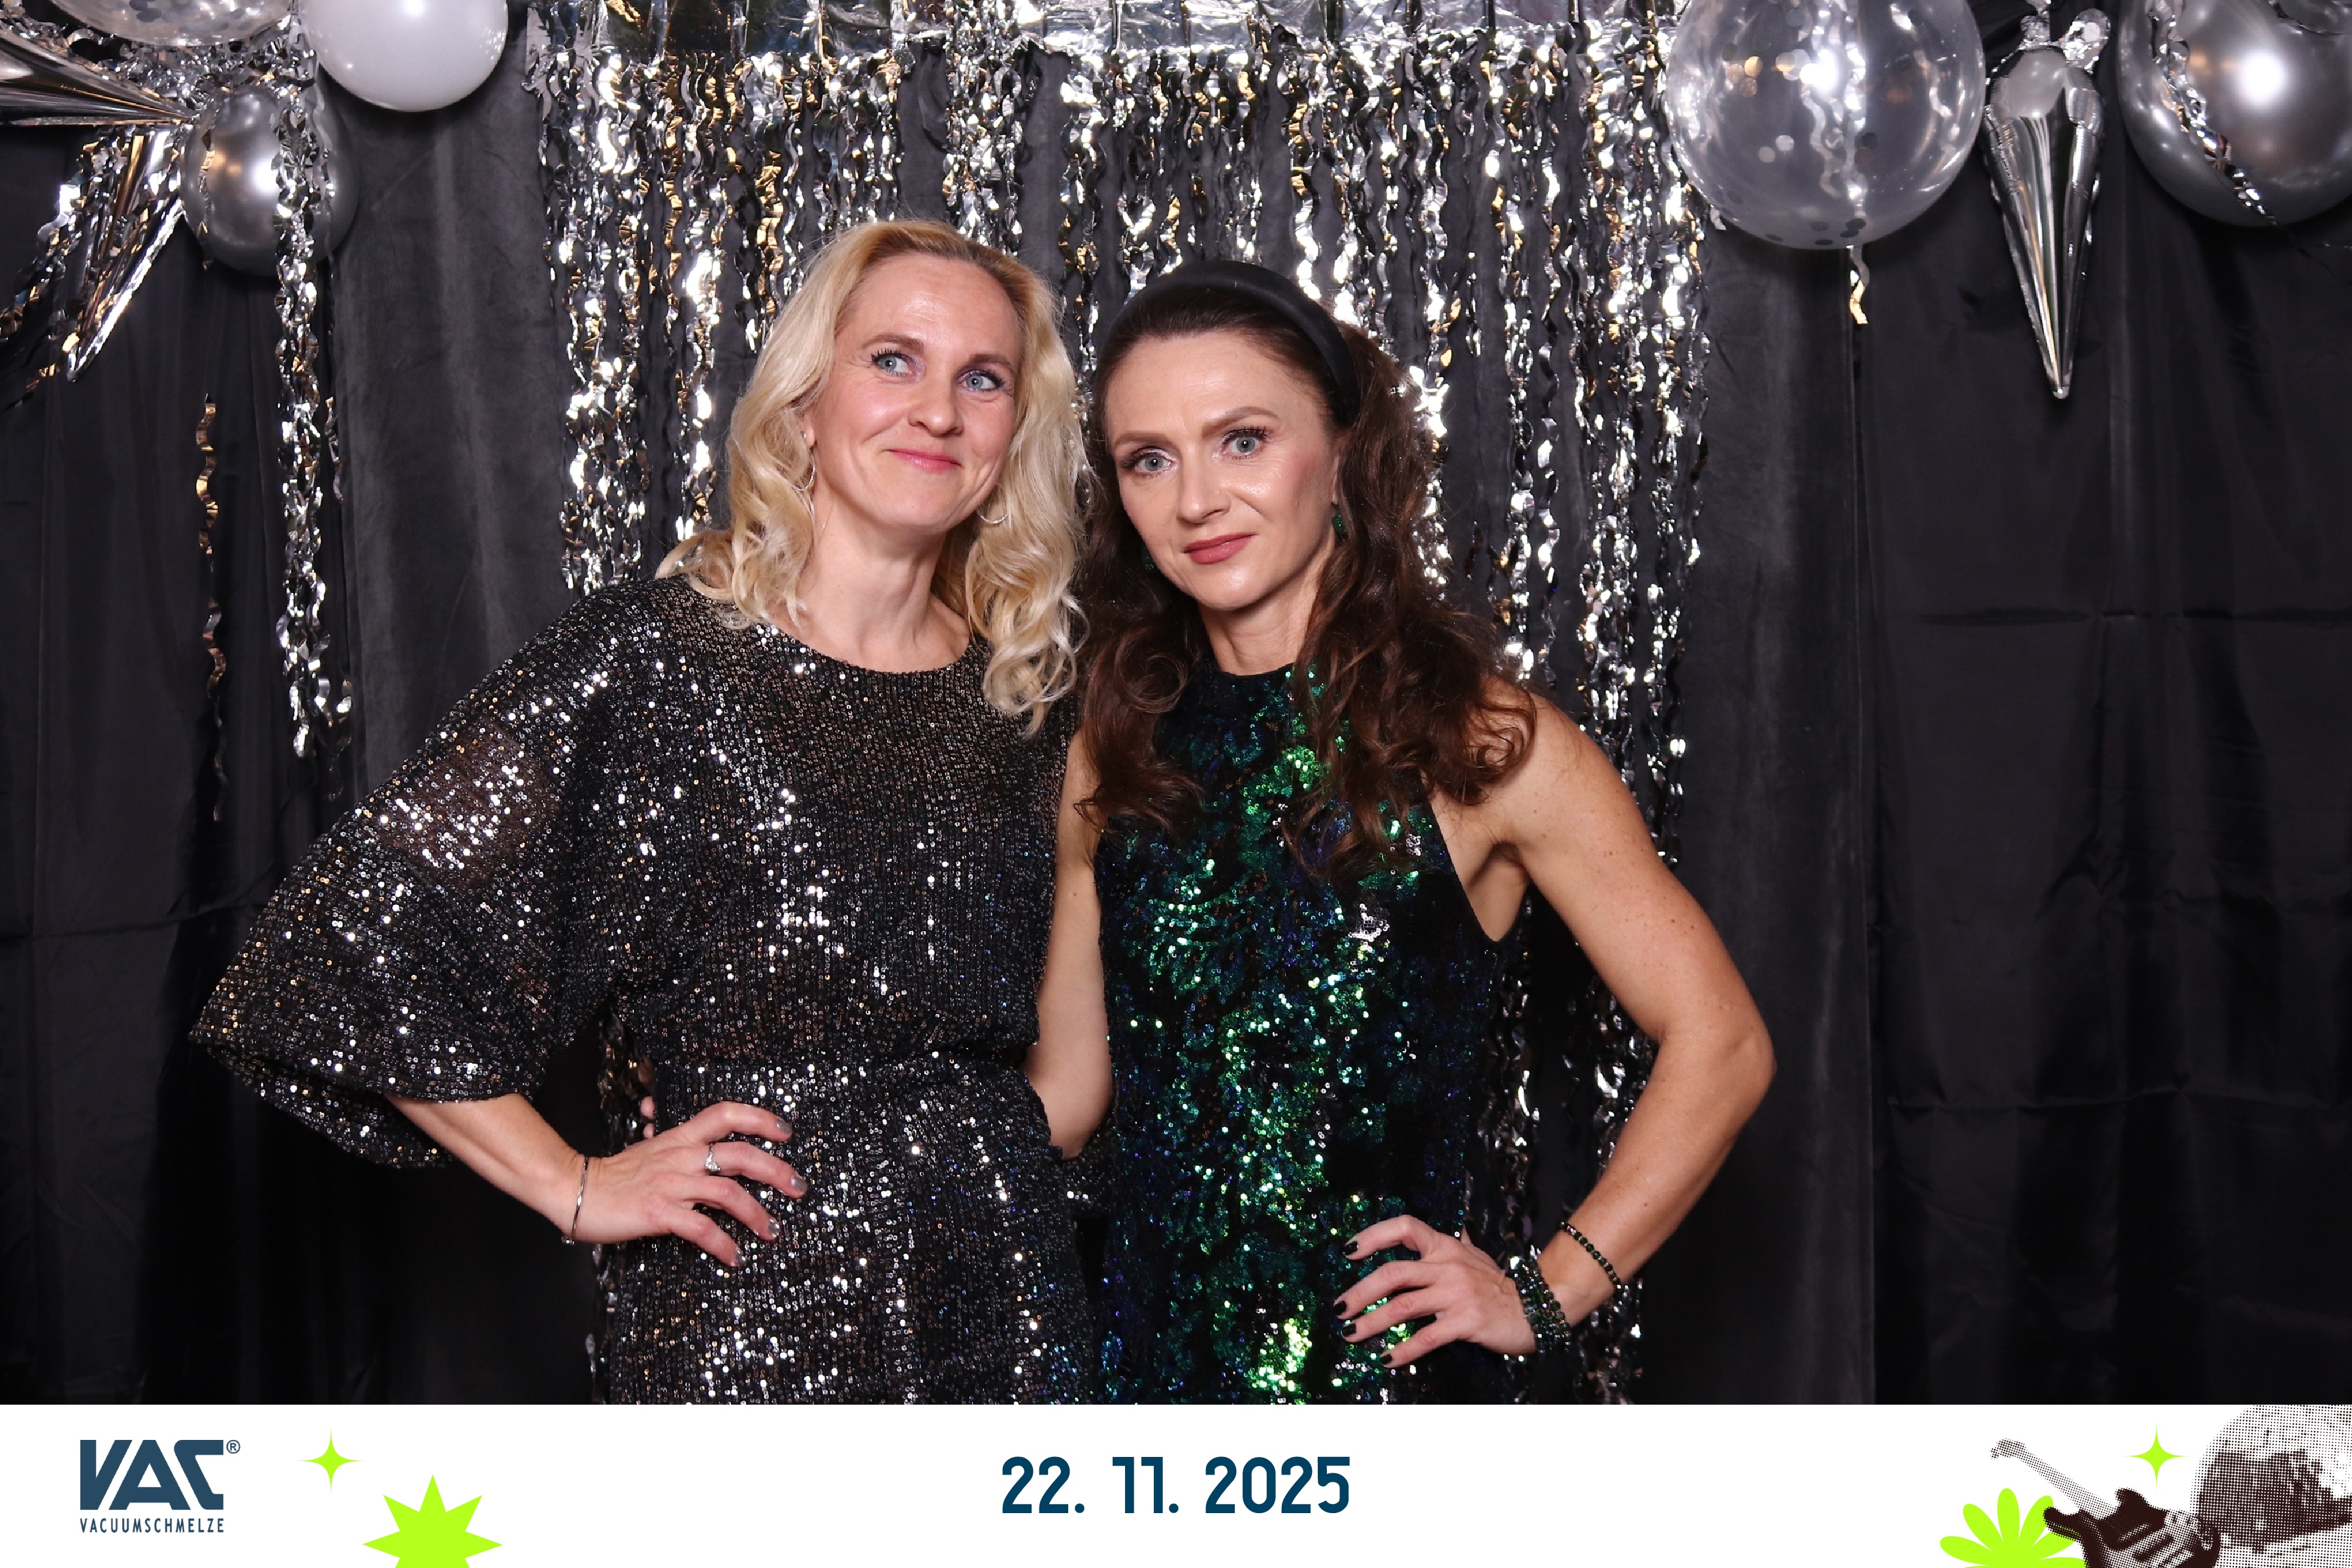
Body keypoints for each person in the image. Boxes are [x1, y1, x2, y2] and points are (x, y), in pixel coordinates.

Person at [197, 220, 1092, 1403]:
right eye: (893, 360)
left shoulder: (1031, 707)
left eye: (982, 380)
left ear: (1014, 431)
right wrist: (576, 1184)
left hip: (1004, 1304)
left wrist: (950, 1176)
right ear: (804, 402)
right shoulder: (656, 662)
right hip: (743, 1311)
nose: (938, 411)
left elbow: (1070, 1074)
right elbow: (351, 944)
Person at [1024, 261, 1776, 1403]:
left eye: (1242, 441)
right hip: (1143, 1387)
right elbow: (1070, 1096)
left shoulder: (1479, 740)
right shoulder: (1115, 746)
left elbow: (1722, 1041)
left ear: (1341, 451)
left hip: (1386, 1395)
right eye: (1149, 459)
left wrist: (1547, 1291)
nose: (1196, 501)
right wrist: (851, 1144)